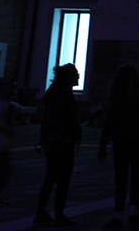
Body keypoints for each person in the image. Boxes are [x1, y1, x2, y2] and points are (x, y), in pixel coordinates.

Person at [98, 64, 139, 230]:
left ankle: (118, 212)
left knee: (120, 178)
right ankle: (132, 212)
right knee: (136, 178)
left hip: (121, 142)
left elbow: (108, 123)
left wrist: (103, 145)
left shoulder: (115, 99)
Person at [35, 63, 82, 227]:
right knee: (62, 180)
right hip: (62, 143)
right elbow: (65, 120)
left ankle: (42, 212)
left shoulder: (54, 94)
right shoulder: (65, 97)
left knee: (51, 178)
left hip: (53, 142)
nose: (78, 76)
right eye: (75, 74)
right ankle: (58, 213)